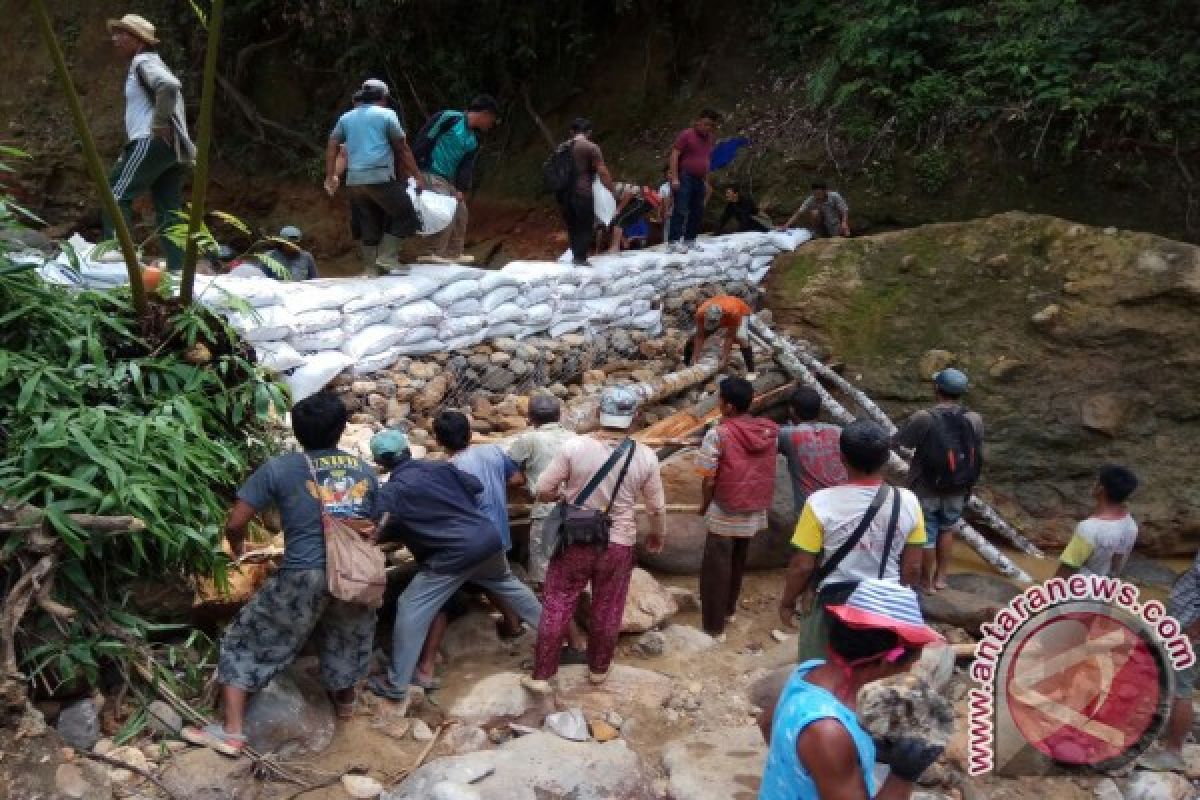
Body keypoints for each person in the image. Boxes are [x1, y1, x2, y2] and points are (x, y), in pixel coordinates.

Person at [181, 392, 379, 755]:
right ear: (340, 429)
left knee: (246, 639)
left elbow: (236, 521)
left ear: (299, 431)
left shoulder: (280, 468)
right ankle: (346, 708)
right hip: (354, 575)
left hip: (304, 573)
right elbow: (375, 524)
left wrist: (238, 549)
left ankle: (232, 732)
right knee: (347, 634)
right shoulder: (364, 471)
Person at [368, 430, 542, 707]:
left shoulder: (392, 491)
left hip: (451, 554)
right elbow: (474, 487)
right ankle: (552, 635)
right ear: (408, 452)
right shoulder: (442, 468)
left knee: (410, 607)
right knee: (511, 586)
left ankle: (397, 681)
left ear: (381, 462)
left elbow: (375, 527)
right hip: (487, 538)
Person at [522, 387, 666, 692]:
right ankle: (599, 669)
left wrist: (563, 496)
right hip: (618, 542)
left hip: (575, 537)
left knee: (558, 601)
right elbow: (656, 507)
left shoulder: (575, 448)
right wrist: (656, 535)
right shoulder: (645, 456)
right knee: (608, 606)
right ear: (635, 418)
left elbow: (543, 489)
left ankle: (543, 675)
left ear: (600, 413)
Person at [759, 579, 945, 800]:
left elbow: (767, 722)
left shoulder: (808, 672)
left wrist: (798, 763)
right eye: (909, 665)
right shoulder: (828, 731)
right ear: (886, 663)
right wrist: (904, 775)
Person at [780, 419, 925, 662]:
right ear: (886, 459)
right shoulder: (908, 501)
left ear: (842, 458)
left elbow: (802, 566)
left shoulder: (820, 503)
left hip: (834, 602)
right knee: (874, 668)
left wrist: (788, 601)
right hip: (884, 602)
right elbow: (912, 567)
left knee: (819, 669)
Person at [104, 14, 196, 273]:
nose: (116, 39)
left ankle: (113, 250)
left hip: (150, 141)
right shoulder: (154, 62)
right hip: (173, 149)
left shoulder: (143, 62)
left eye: (122, 34)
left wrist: (157, 124)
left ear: (139, 40)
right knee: (169, 208)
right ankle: (179, 267)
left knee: (115, 193)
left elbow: (168, 86)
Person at [506, 395, 589, 658]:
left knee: (547, 582)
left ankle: (573, 641)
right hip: (581, 515)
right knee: (572, 575)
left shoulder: (529, 440)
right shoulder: (578, 439)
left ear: (530, 418)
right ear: (559, 415)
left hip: (547, 515)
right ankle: (575, 631)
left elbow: (511, 473)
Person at [696, 377, 778, 638]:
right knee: (738, 561)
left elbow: (708, 477)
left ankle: (713, 627)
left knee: (715, 568)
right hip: (755, 505)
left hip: (726, 507)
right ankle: (729, 610)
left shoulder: (718, 434)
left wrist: (704, 505)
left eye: (719, 399)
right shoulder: (769, 432)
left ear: (728, 406)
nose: (718, 403)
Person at [433, 410, 526, 637]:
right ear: (470, 434)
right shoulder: (493, 451)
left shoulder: (449, 469)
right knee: (497, 579)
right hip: (499, 532)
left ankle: (515, 622)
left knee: (495, 581)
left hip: (475, 538)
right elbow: (516, 479)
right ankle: (516, 621)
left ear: (438, 440)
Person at [892, 368, 984, 593]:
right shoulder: (974, 418)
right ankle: (941, 578)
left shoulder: (924, 417)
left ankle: (925, 582)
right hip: (959, 486)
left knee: (927, 533)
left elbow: (900, 443)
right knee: (947, 529)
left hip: (926, 486)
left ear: (937, 389)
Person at [324, 78, 424, 276]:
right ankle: (387, 257)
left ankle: (371, 268)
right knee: (406, 215)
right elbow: (402, 148)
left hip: (354, 181)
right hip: (379, 176)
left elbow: (333, 146)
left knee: (368, 222)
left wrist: (331, 176)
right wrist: (417, 175)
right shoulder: (387, 115)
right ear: (383, 97)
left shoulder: (346, 118)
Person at [414, 95, 501, 264]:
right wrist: (414, 169)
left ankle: (453, 253)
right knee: (445, 209)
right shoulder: (449, 118)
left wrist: (460, 189)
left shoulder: (473, 140)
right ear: (485, 114)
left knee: (461, 211)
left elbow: (465, 167)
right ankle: (432, 251)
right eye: (491, 119)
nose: (491, 125)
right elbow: (425, 138)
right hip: (428, 172)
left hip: (446, 179)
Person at [1139, 550, 1200, 772]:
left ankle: (1173, 752)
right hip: (1181, 621)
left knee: (1180, 688)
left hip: (1188, 626)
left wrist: (1192, 633)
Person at [1055, 465, 1139, 578]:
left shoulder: (1089, 528)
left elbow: (1066, 571)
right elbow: (1116, 566)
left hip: (1078, 591)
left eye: (1097, 481)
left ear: (1101, 489)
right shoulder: (1131, 525)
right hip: (1104, 590)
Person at [777, 387, 849, 517]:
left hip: (811, 512)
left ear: (792, 410)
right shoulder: (839, 431)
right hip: (844, 506)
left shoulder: (788, 434)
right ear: (819, 410)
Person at [557, 118, 614, 266]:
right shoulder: (591, 147)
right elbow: (602, 171)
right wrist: (611, 190)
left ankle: (576, 258)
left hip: (564, 194)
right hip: (582, 192)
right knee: (585, 226)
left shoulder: (562, 147)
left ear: (571, 132)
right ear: (589, 132)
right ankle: (580, 260)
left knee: (572, 226)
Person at [666, 109, 720, 253]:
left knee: (697, 210)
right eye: (706, 124)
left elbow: (707, 160)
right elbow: (674, 154)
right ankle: (674, 241)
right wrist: (675, 177)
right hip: (685, 176)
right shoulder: (687, 134)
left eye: (711, 126)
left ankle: (690, 239)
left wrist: (707, 181)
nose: (708, 128)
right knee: (681, 208)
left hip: (700, 178)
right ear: (698, 121)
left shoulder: (709, 139)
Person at [683, 294, 757, 378]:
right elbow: (700, 336)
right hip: (722, 311)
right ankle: (688, 363)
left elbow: (729, 337)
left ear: (721, 317)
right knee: (692, 336)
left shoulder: (733, 313)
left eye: (714, 324)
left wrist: (724, 358)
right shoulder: (700, 313)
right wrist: (695, 357)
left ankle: (751, 371)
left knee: (741, 337)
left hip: (741, 311)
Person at [781, 181, 850, 238]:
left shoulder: (834, 196)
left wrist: (844, 223)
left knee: (843, 234)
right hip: (820, 223)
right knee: (815, 213)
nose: (817, 196)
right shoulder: (811, 199)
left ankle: (839, 233)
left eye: (819, 193)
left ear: (825, 191)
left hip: (834, 223)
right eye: (815, 193)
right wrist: (786, 225)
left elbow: (844, 210)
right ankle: (818, 233)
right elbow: (799, 213)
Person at [607, 181, 660, 254]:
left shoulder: (614, 186)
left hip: (643, 199)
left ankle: (615, 247)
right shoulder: (611, 191)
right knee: (621, 221)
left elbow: (629, 194)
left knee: (619, 220)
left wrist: (618, 209)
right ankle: (620, 245)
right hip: (645, 201)